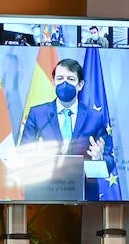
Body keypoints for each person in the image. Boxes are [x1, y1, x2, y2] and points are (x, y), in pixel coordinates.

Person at [21, 58, 116, 201]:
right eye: (60, 78)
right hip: (43, 196)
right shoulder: (37, 114)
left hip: (84, 197)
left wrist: (99, 159)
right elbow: (22, 156)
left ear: (80, 85)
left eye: (71, 79)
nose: (64, 83)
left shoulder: (94, 117)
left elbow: (110, 161)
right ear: (53, 82)